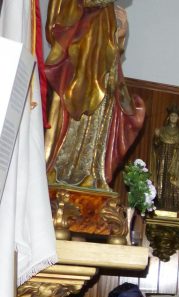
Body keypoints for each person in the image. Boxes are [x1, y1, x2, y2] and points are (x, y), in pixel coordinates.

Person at [45, 1, 145, 191]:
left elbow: (114, 44)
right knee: (77, 106)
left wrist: (119, 30)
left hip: (102, 58)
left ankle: (92, 170)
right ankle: (63, 172)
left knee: (102, 109)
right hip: (80, 54)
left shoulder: (110, 10)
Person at [151, 104, 179, 213]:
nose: (173, 118)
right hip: (163, 160)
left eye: (175, 116)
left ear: (178, 118)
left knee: (173, 183)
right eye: (172, 115)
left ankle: (174, 205)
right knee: (163, 180)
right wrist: (156, 136)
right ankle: (160, 203)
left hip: (176, 162)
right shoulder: (162, 130)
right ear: (168, 117)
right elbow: (156, 146)